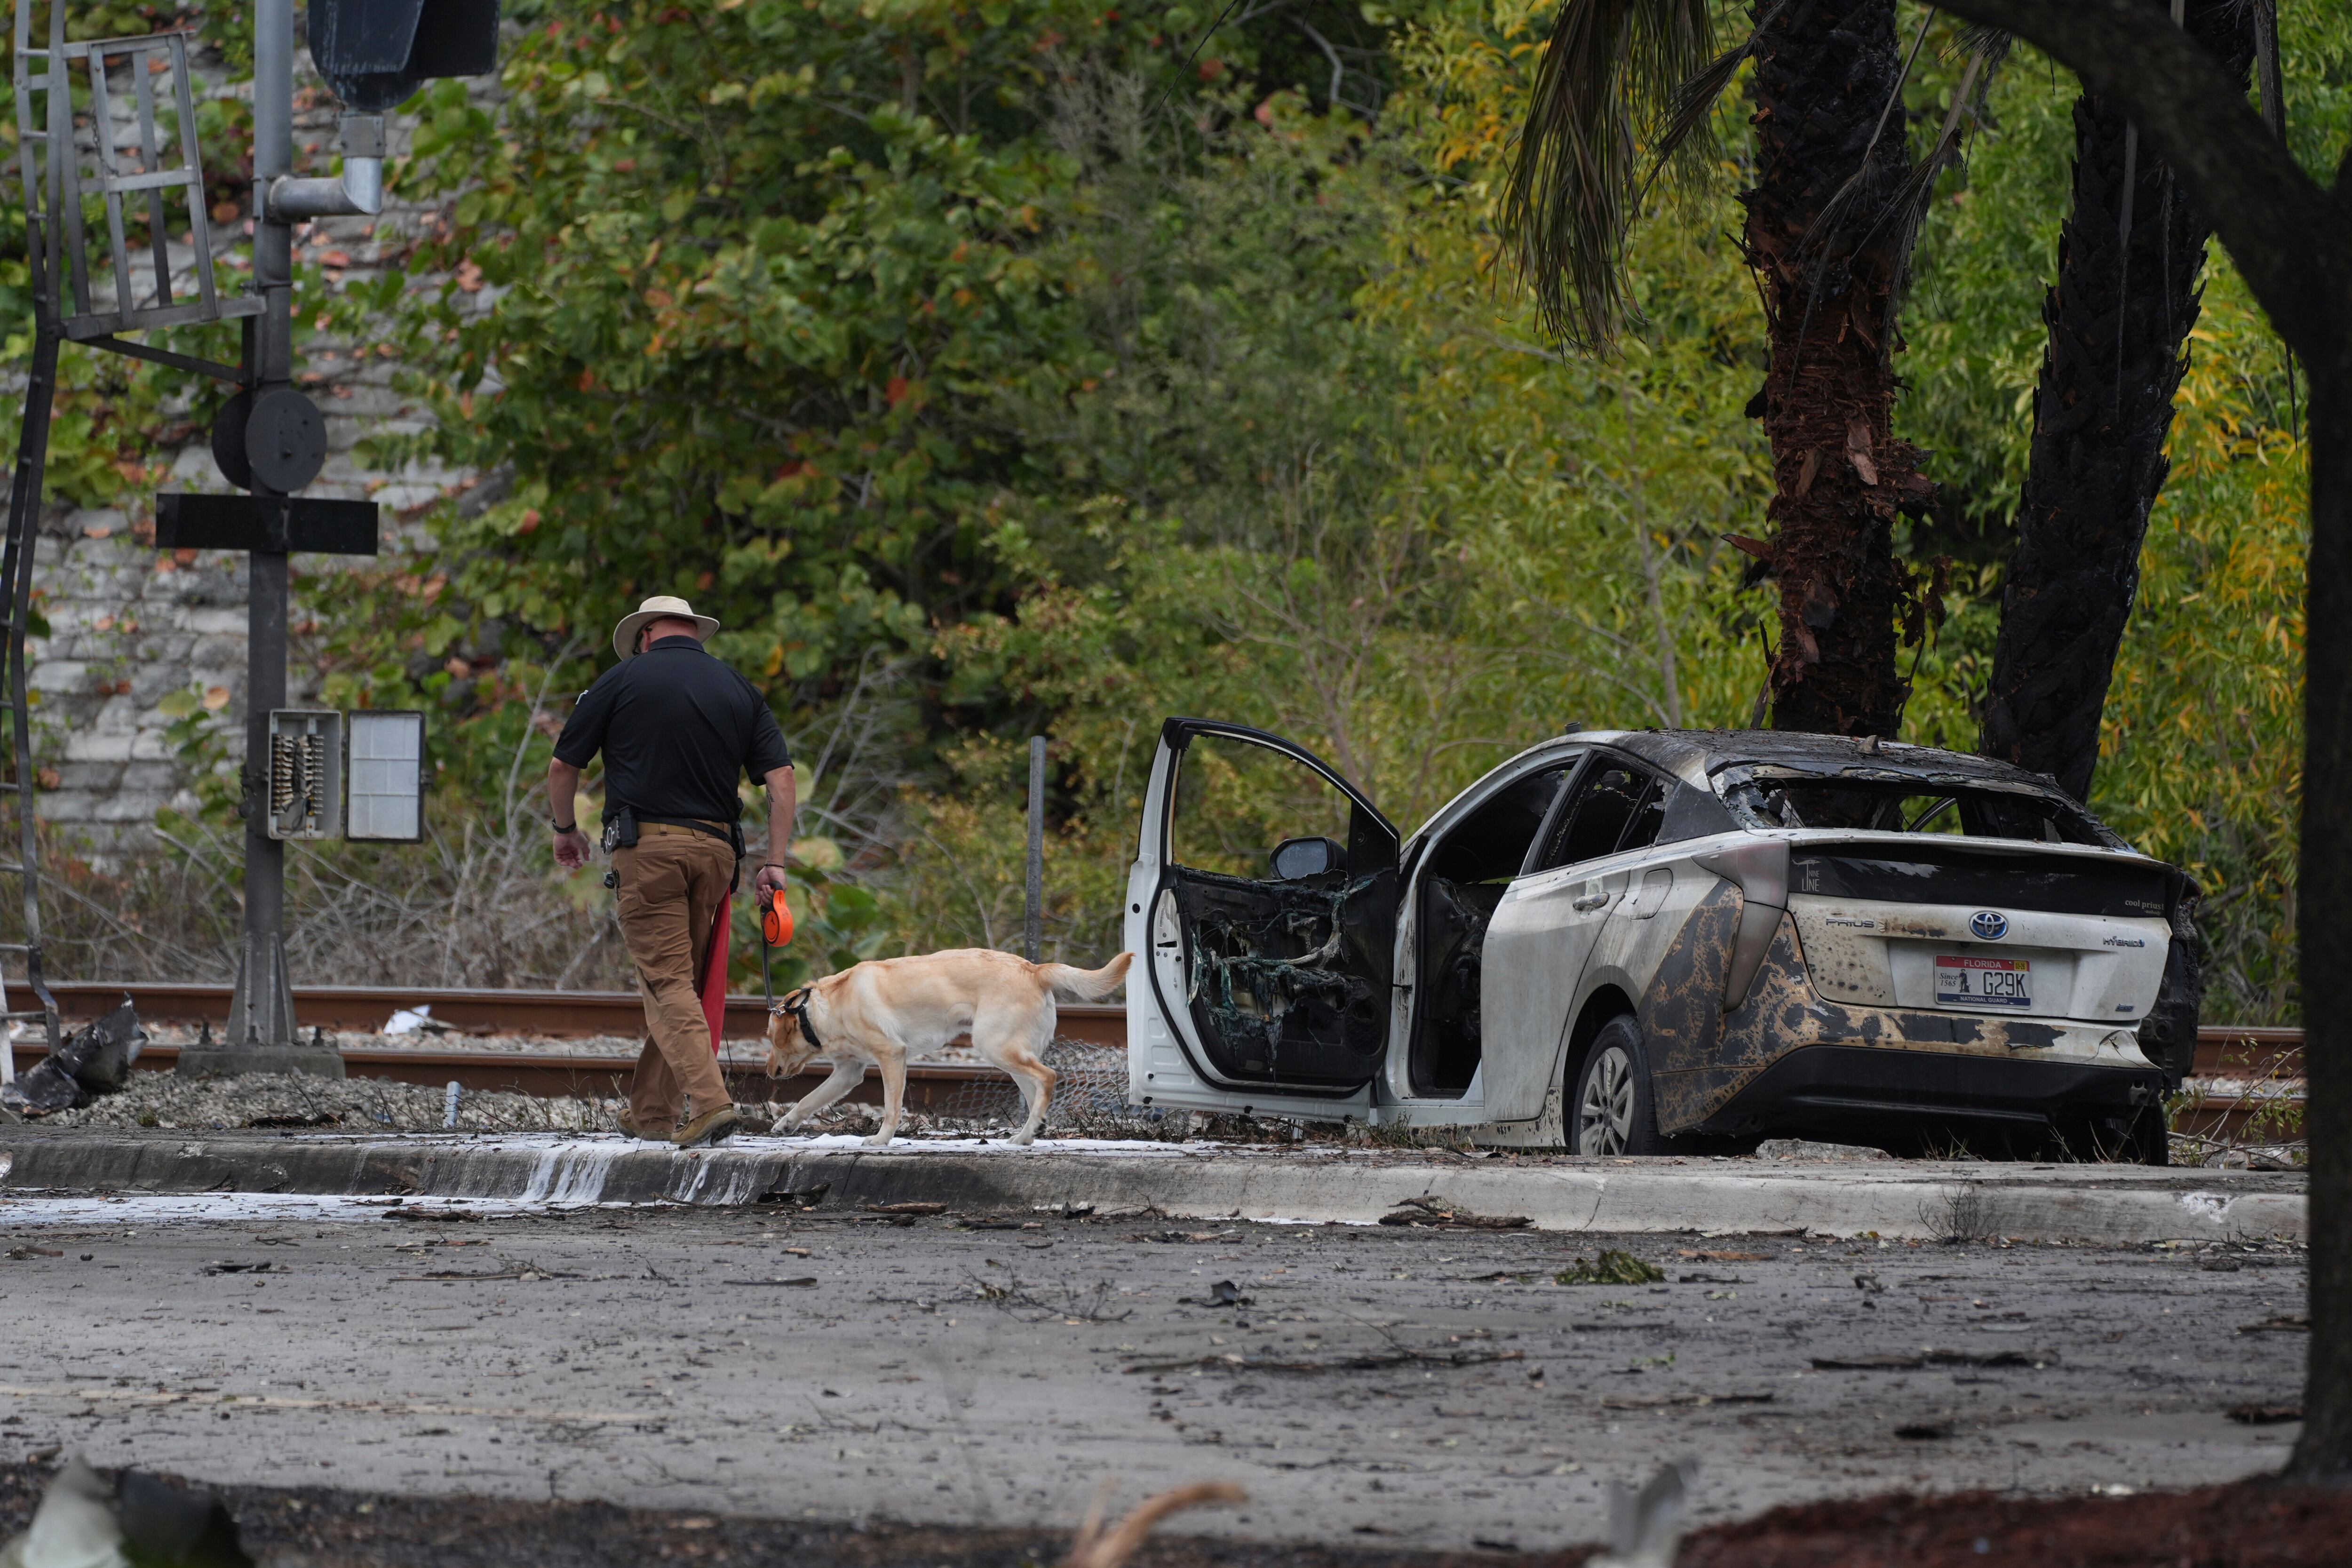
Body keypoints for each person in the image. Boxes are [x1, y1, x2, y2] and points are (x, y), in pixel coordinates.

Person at [548, 595, 795, 1146]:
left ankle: (710, 1105)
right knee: (680, 983)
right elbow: (780, 780)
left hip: (649, 851)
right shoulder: (737, 688)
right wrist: (773, 861)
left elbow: (564, 764)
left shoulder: (621, 679)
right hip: (716, 856)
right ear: (692, 633)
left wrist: (565, 829)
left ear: (645, 635)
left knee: (668, 982)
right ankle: (652, 1114)